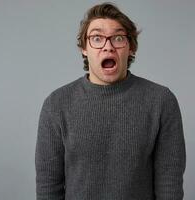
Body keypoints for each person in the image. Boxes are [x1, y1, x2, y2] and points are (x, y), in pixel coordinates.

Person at [35, 2, 186, 200]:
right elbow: (48, 187)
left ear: (131, 47)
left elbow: (170, 186)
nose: (108, 47)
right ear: (84, 48)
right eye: (97, 38)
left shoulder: (161, 101)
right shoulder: (56, 105)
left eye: (118, 38)